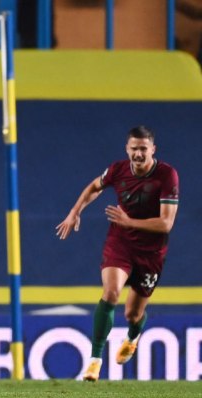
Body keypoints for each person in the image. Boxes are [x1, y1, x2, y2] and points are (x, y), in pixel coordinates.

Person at [56, 126, 179, 382]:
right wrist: (75, 211)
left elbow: (166, 223)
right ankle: (95, 361)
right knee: (111, 293)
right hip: (120, 243)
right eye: (134, 149)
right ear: (127, 149)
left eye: (143, 149)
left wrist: (129, 221)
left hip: (151, 252)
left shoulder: (167, 175)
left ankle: (133, 337)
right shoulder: (118, 170)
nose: (138, 154)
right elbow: (95, 186)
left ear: (153, 150)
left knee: (132, 314)